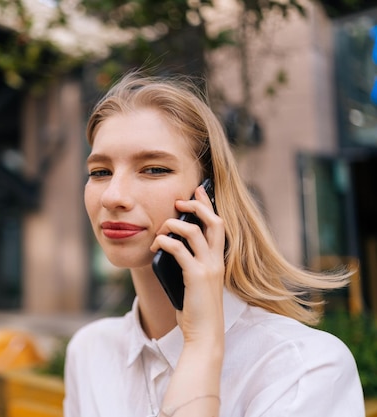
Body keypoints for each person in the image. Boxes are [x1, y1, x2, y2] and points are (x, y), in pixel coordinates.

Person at [63, 71, 364, 416]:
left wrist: (202, 346)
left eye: (154, 169)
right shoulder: (89, 352)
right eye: (100, 172)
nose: (113, 196)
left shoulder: (304, 369)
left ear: (210, 195)